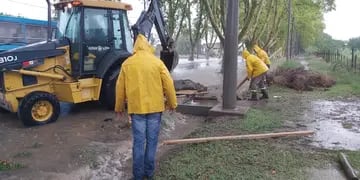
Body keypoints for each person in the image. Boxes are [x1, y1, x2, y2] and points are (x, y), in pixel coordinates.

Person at [114, 34, 178, 180]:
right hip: (155, 109)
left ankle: (137, 175)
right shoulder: (157, 63)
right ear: (148, 46)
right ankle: (149, 173)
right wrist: (172, 103)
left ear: (135, 47)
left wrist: (119, 108)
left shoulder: (127, 64)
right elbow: (168, 83)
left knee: (138, 142)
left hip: (137, 110)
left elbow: (119, 88)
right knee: (152, 140)